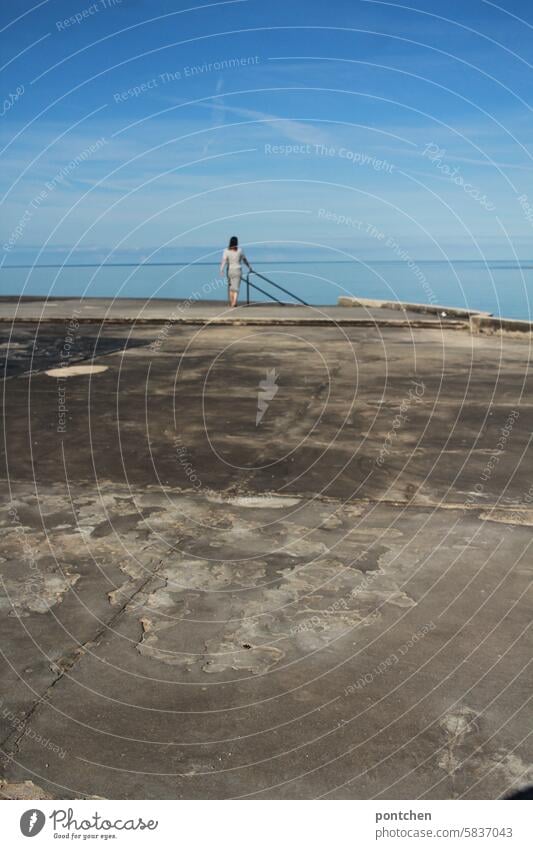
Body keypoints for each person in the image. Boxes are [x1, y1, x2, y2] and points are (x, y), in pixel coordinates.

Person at [219, 236, 252, 307]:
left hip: (230, 270)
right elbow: (244, 260)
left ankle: (232, 303)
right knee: (236, 287)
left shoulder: (226, 251)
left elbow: (224, 260)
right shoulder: (240, 250)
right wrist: (249, 267)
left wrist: (221, 269)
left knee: (231, 287)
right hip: (238, 270)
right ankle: (234, 302)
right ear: (237, 242)